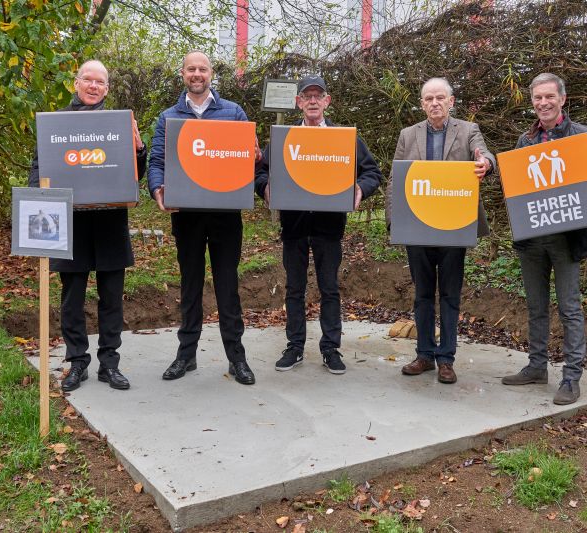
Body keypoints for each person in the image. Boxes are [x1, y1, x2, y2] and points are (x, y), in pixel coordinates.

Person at [501, 72, 587, 405]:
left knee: (569, 308)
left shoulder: (583, 136)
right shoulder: (525, 141)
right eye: (537, 98)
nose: (543, 103)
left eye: (549, 97)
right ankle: (537, 367)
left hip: (568, 239)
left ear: (562, 99)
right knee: (535, 305)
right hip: (533, 240)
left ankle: (571, 378)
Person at [29, 60, 148, 392]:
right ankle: (77, 362)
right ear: (76, 83)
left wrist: (139, 149)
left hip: (110, 223)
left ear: (107, 88)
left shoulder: (120, 123)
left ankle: (109, 365)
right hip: (71, 225)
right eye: (88, 80)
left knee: (112, 297)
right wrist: (42, 194)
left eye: (101, 82)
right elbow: (38, 170)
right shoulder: (56, 124)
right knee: (72, 298)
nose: (94, 86)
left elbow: (133, 170)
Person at [254, 75, 383, 374]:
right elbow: (259, 172)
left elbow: (372, 172)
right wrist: (266, 189)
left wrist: (360, 189)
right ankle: (295, 347)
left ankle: (330, 349)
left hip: (329, 227)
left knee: (329, 289)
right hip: (294, 226)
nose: (312, 101)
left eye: (318, 96)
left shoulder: (344, 138)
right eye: (307, 96)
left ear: (327, 101)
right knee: (294, 289)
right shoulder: (283, 139)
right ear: (298, 102)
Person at [147, 51, 256, 385]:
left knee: (228, 286)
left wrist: (257, 154)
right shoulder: (169, 117)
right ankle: (186, 355)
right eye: (191, 69)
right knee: (190, 284)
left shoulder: (233, 112)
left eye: (203, 69)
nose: (197, 74)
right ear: (183, 74)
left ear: (211, 74)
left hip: (225, 216)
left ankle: (237, 358)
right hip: (187, 215)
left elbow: (250, 158)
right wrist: (158, 190)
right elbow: (156, 161)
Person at [386, 77, 494, 384]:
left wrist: (485, 163)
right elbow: (395, 178)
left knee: (449, 294)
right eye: (429, 98)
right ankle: (424, 355)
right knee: (422, 294)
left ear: (451, 101)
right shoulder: (408, 135)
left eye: (440, 98)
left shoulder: (468, 130)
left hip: (453, 226)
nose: (435, 103)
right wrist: (395, 221)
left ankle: (446, 359)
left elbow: (483, 154)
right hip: (416, 226)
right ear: (422, 104)